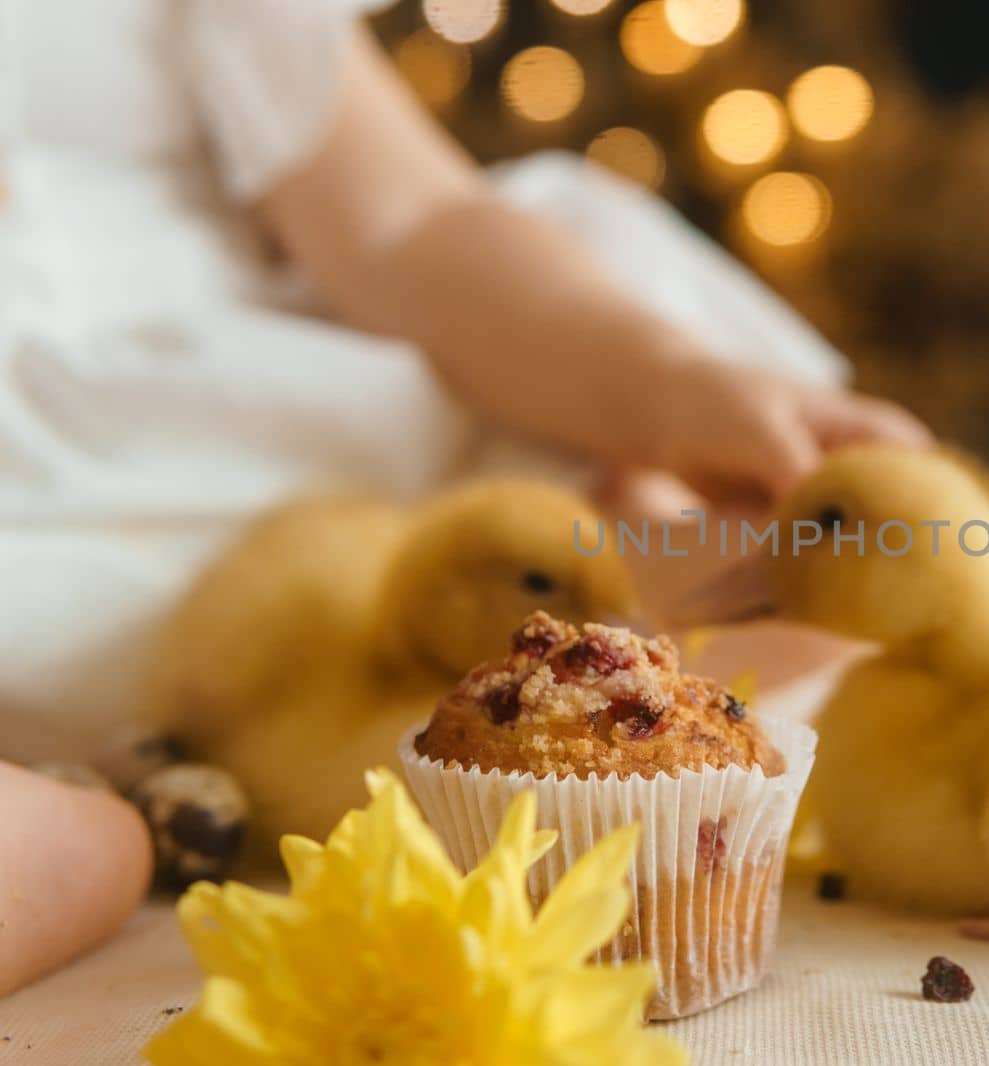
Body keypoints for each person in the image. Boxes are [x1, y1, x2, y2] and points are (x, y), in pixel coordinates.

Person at [0, 0, 926, 994]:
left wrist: (669, 389)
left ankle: (607, 613)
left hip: (316, 401)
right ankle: (123, 810)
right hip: (48, 532)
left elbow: (408, 223)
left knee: (861, 555)